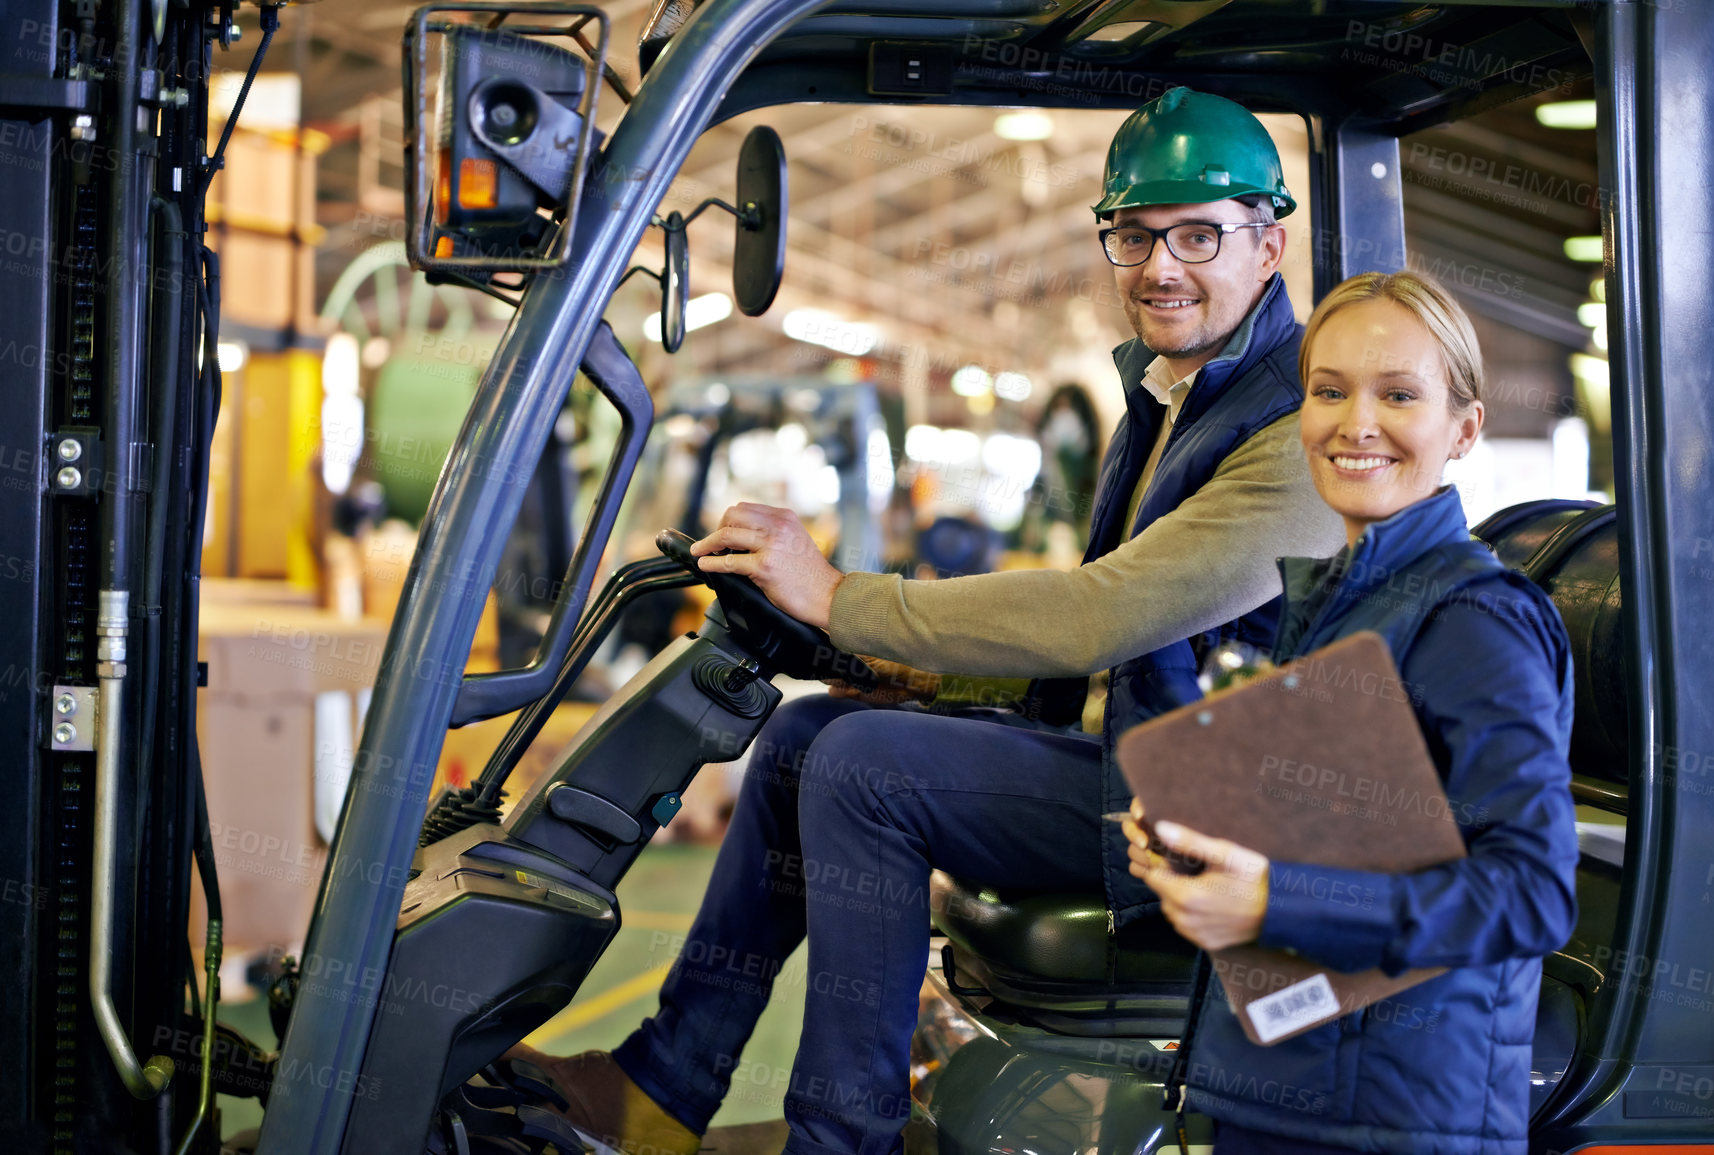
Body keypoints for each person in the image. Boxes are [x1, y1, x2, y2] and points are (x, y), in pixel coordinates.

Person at [514, 87, 1345, 1155]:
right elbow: (1111, 651)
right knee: (807, 740)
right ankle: (663, 1087)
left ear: (1269, 244)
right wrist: (897, 668)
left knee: (867, 769)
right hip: (1130, 752)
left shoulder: (1296, 427)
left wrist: (842, 596)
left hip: (1204, 803)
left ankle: (840, 1139)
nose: (1160, 266)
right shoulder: (1172, 398)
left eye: (1198, 235)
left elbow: (1105, 615)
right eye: (1133, 236)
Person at [1120, 270, 1578, 1155]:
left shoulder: (1474, 618)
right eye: (1328, 390)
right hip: (1292, 1091)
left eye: (1397, 394)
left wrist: (1272, 898)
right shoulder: (1340, 601)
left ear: (1464, 429)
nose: (1354, 422)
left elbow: (1530, 891)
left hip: (1389, 1122)